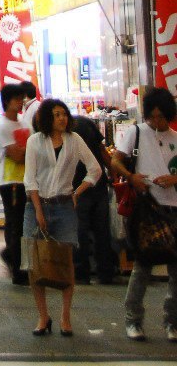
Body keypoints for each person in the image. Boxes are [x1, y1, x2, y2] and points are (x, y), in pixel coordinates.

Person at [22, 97, 101, 338]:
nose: (62, 118)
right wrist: (37, 210)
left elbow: (95, 169)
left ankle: (66, 316)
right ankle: (43, 316)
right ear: (47, 118)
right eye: (56, 114)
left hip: (64, 205)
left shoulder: (74, 140)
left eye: (64, 113)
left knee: (65, 263)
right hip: (37, 205)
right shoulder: (35, 141)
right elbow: (30, 178)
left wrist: (78, 191)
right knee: (35, 264)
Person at [112, 86, 177, 342]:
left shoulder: (175, 137)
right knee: (142, 266)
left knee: (176, 271)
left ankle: (172, 322)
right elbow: (116, 160)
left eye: (161, 116)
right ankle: (133, 320)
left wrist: (173, 179)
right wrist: (132, 177)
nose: (157, 121)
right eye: (153, 116)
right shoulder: (136, 133)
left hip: (173, 208)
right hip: (146, 208)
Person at [71, 110, 116, 285]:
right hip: (98, 185)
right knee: (102, 230)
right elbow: (102, 151)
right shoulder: (86, 122)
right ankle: (106, 272)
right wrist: (112, 173)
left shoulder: (65, 132)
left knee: (80, 230)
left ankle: (81, 272)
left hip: (78, 187)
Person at [0, 83, 29, 286]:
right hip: (11, 181)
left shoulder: (24, 123)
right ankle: (16, 266)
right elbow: (15, 154)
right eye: (17, 99)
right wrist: (24, 150)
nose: (20, 102)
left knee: (23, 225)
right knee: (15, 224)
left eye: (22, 98)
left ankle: (14, 258)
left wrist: (23, 150)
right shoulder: (4, 125)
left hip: (25, 180)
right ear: (7, 101)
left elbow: (29, 150)